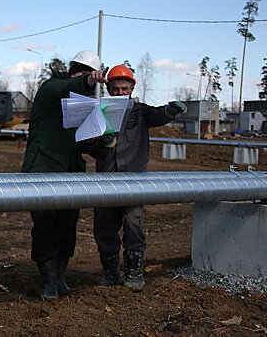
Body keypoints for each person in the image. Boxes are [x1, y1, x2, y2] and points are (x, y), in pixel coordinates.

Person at [20, 50, 109, 299]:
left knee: (67, 228)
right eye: (84, 78)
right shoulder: (51, 88)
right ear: (74, 73)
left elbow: (84, 144)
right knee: (46, 228)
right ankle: (49, 282)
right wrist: (89, 81)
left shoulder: (82, 105)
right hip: (43, 171)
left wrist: (103, 140)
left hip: (71, 174)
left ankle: (60, 279)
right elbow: (69, 86)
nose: (85, 86)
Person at [92, 65, 186, 291]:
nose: (120, 93)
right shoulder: (99, 112)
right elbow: (88, 146)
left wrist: (171, 111)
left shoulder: (141, 111)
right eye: (115, 89)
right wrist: (98, 143)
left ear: (132, 87)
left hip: (133, 180)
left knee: (132, 223)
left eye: (125, 88)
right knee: (104, 227)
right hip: (105, 180)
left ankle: (135, 273)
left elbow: (158, 115)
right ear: (108, 88)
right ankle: (111, 273)